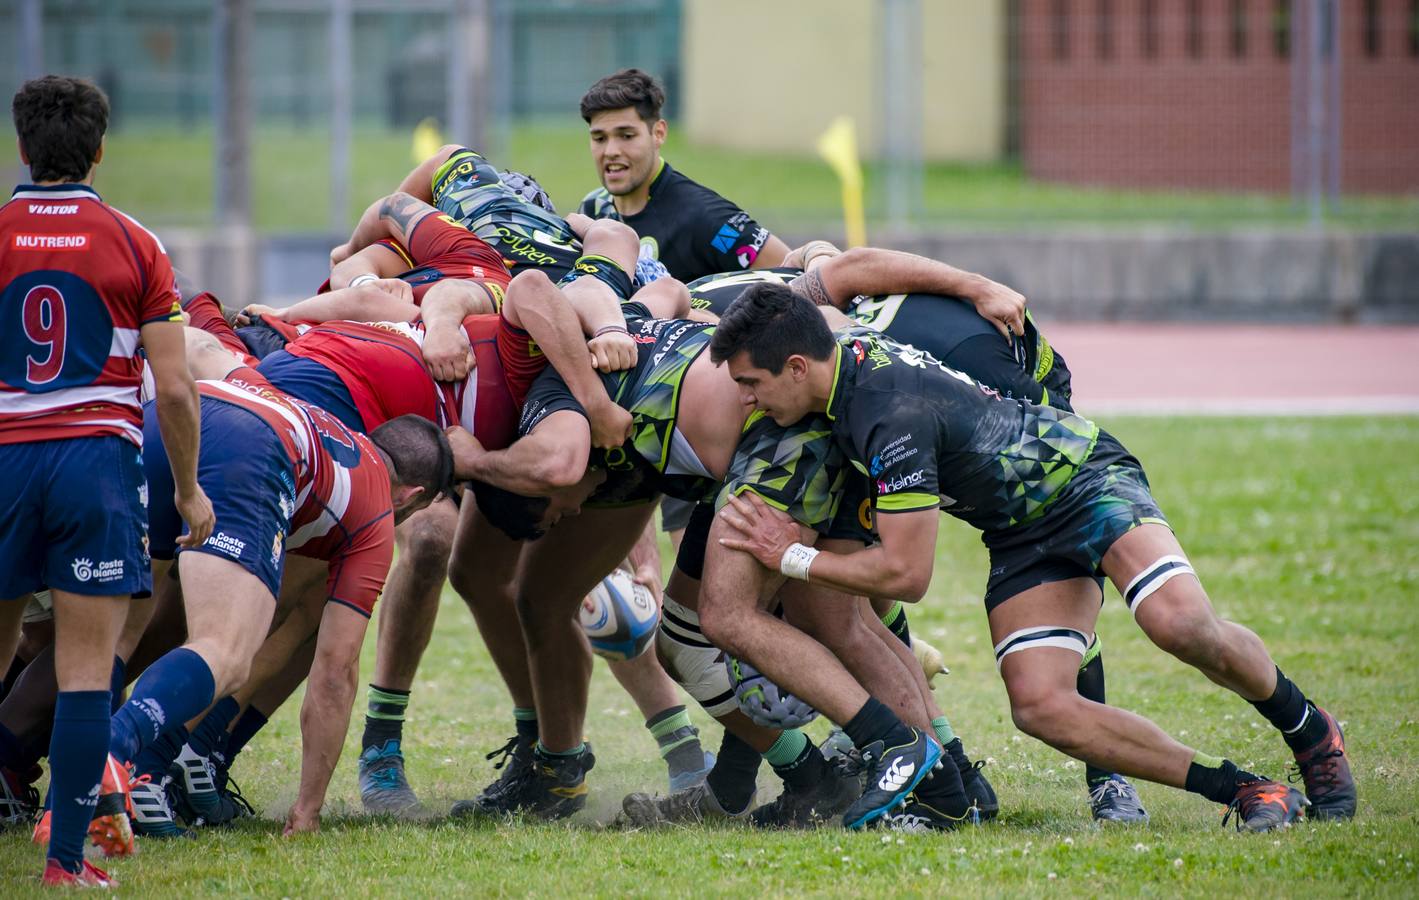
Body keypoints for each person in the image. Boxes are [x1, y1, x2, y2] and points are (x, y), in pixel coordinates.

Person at [705, 283, 1356, 832]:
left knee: (1177, 625)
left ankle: (1309, 731)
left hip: (1082, 480)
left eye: (750, 383)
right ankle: (1247, 791)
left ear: (796, 366)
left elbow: (906, 577)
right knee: (1039, 705)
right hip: (1018, 534)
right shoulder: (837, 361)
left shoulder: (887, 411)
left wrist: (788, 557)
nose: (745, 400)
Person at [680, 248, 1146, 823]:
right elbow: (824, 266)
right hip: (860, 415)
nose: (742, 392)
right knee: (839, 604)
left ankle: (1105, 777)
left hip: (994, 411)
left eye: (748, 381)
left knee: (1048, 563)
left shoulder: (954, 375)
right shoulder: (756, 327)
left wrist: (978, 284)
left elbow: (849, 267)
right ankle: (945, 774)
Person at [94, 335, 450, 839]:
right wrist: (307, 812)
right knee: (226, 651)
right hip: (250, 444)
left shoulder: (332, 429)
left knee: (119, 632)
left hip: (179, 415)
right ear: (412, 497)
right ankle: (115, 757)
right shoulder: (374, 512)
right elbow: (335, 673)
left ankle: (72, 778)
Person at [0, 75, 213, 887]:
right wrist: (189, 491)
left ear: (21, 148)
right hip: (92, 464)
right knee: (88, 671)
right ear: (99, 150)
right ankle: (64, 864)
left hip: (5, 458)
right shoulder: (135, 242)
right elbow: (176, 388)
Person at [576, 66, 791, 546]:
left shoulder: (703, 215)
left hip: (704, 410)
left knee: (706, 568)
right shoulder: (594, 212)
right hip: (631, 405)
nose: (611, 152)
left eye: (626, 134)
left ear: (659, 132)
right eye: (599, 137)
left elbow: (787, 274)